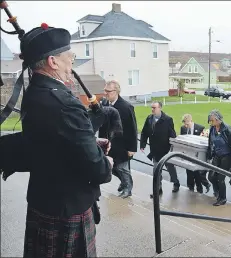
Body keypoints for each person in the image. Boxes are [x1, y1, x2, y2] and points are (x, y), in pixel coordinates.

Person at [16, 24, 113, 257]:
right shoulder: (66, 104)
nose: (72, 63)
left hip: (43, 200)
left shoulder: (33, 94)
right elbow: (97, 169)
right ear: (53, 61)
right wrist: (106, 162)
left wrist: (88, 140)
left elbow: (53, 141)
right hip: (68, 209)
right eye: (69, 57)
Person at [99, 80, 138, 199]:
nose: (105, 93)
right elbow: (103, 124)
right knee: (111, 167)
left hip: (122, 145)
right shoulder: (106, 104)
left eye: (108, 91)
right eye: (105, 90)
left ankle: (128, 189)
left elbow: (132, 128)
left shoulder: (126, 107)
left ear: (116, 91)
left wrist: (132, 148)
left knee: (122, 168)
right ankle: (124, 182)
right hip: (109, 144)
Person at [140, 101, 180, 198]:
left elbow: (172, 134)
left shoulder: (167, 120)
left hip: (166, 150)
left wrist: (173, 146)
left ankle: (176, 183)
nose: (152, 109)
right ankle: (158, 190)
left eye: (154, 107)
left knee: (170, 168)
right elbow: (144, 132)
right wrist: (143, 144)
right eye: (152, 107)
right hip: (155, 150)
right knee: (156, 170)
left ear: (160, 108)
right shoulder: (149, 119)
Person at [206, 110, 231, 206]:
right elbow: (210, 143)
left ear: (217, 119)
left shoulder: (227, 129)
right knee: (211, 176)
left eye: (212, 121)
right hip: (217, 155)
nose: (211, 123)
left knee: (220, 178)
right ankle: (217, 193)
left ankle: (222, 198)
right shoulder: (212, 129)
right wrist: (209, 155)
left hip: (227, 156)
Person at [180, 114, 211, 193]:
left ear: (191, 120)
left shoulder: (200, 128)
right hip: (187, 154)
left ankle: (199, 189)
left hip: (197, 156)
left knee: (197, 173)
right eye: (184, 124)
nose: (185, 125)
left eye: (187, 124)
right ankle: (190, 188)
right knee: (189, 172)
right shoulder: (183, 128)